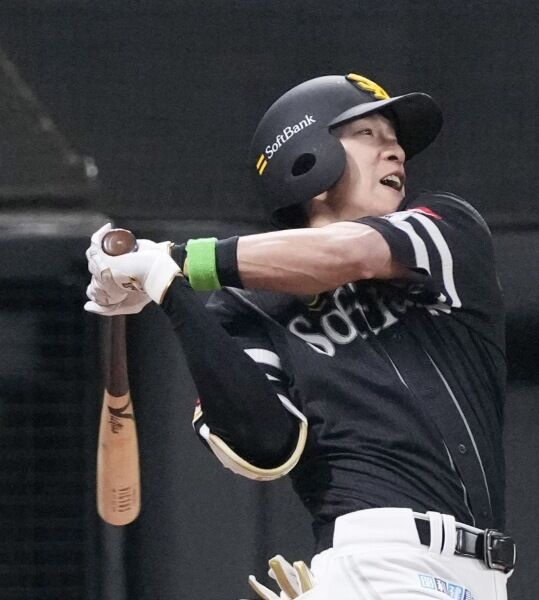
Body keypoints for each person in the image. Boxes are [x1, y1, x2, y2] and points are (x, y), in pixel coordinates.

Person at [85, 73, 516, 599]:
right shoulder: (247, 306)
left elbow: (346, 254)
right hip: (381, 567)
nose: (396, 151)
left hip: (481, 578)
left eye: (394, 139)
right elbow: (265, 447)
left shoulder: (446, 227)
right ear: (306, 157)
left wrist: (176, 260)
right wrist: (166, 288)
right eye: (368, 134)